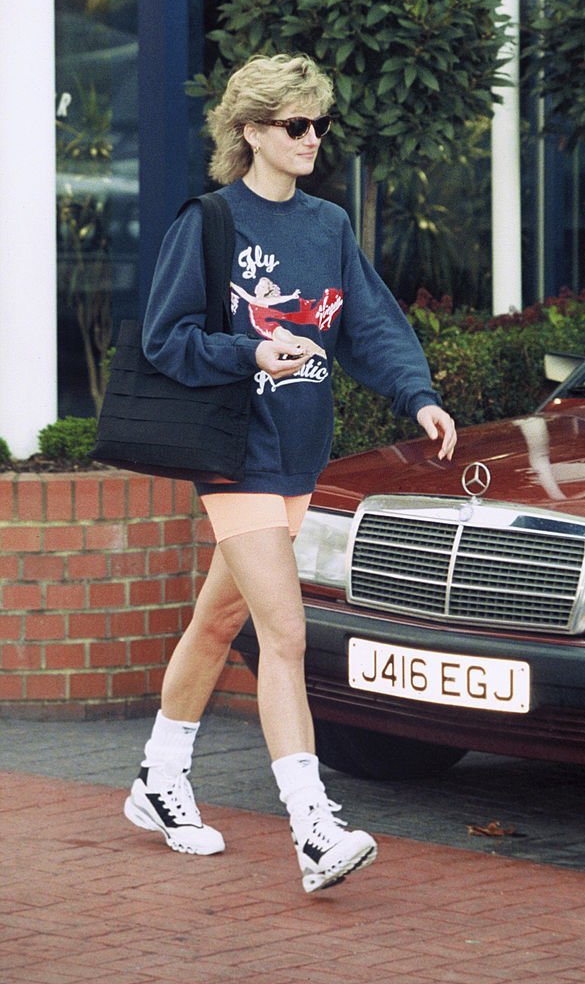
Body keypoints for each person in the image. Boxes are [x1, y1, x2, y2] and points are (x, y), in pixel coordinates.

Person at [123, 54, 457, 893]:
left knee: (215, 620)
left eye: (318, 124)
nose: (312, 138)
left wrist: (417, 397)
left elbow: (372, 323)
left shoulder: (327, 227)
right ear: (249, 133)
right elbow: (165, 341)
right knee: (284, 632)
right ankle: (313, 829)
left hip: (298, 454)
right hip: (235, 453)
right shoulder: (207, 222)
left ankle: (159, 778)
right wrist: (253, 350)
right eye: (293, 125)